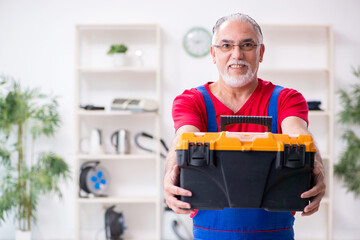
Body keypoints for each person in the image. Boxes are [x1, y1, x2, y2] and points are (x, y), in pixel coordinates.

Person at [164, 13, 326, 239]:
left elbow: (299, 135)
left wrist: (316, 166)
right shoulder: (192, 101)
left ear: (261, 53)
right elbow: (183, 139)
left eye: (247, 45)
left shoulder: (286, 99)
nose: (237, 54)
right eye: (226, 45)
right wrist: (170, 175)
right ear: (213, 53)